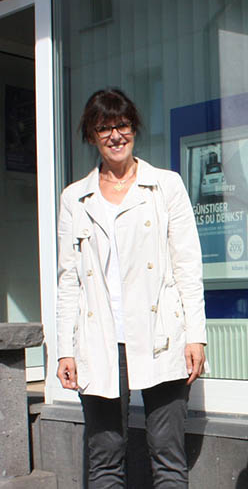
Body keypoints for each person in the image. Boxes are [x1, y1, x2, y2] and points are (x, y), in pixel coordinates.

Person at [55, 88, 207, 488]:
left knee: (168, 454)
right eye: (104, 128)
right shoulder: (75, 198)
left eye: (122, 125)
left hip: (161, 334)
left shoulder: (165, 186)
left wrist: (196, 336)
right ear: (91, 135)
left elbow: (188, 265)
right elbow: (68, 279)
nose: (115, 135)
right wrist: (64, 350)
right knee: (104, 456)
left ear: (134, 129)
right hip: (100, 340)